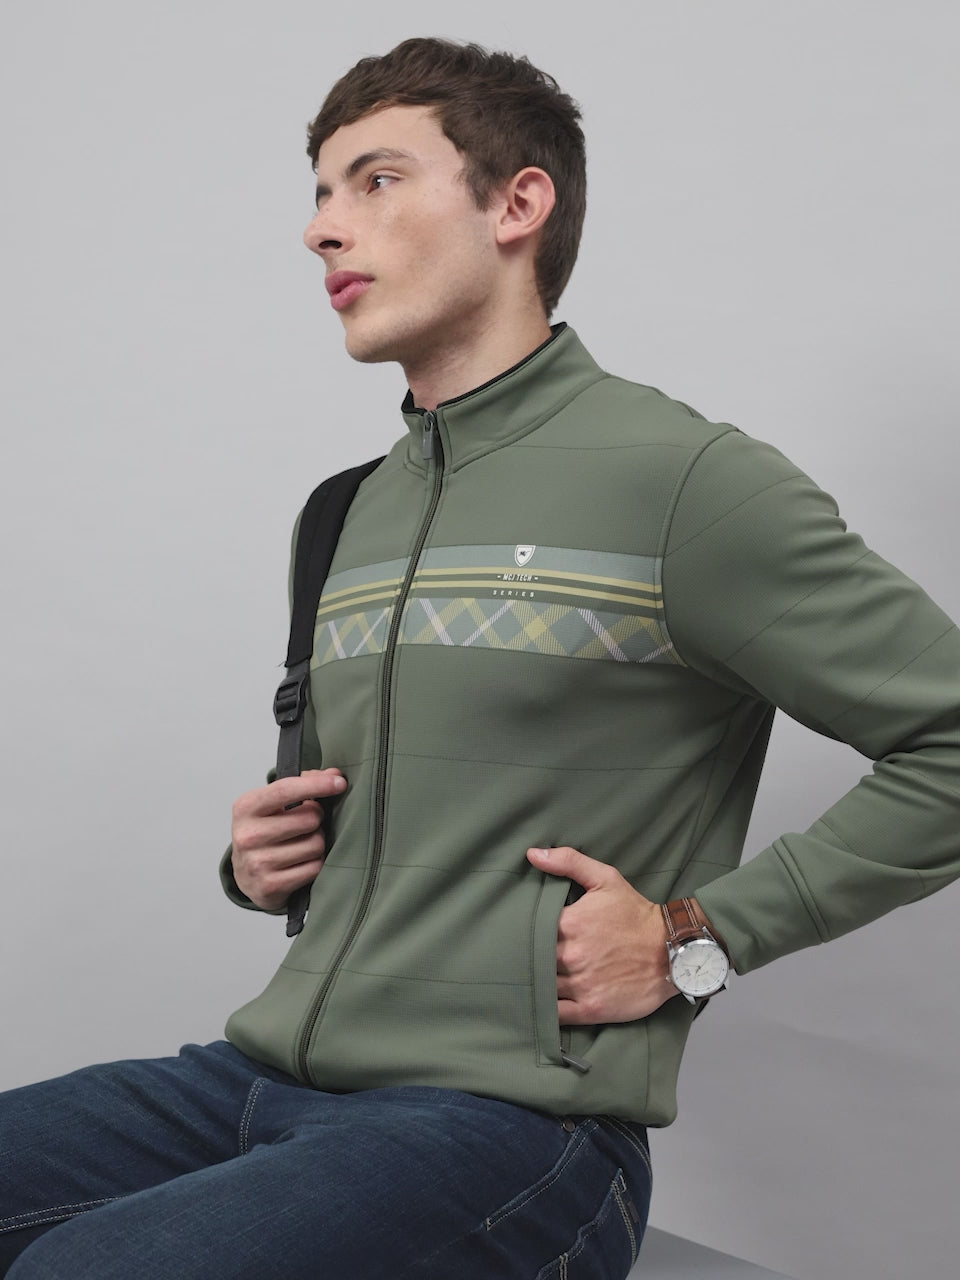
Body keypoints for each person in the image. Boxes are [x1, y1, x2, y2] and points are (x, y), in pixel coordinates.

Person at [1, 35, 958, 1280]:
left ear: (517, 204)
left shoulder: (684, 480)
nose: (322, 229)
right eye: (321, 193)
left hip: (512, 1127)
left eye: (377, 180)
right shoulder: (345, 512)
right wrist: (264, 860)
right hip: (258, 1079)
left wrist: (698, 933)